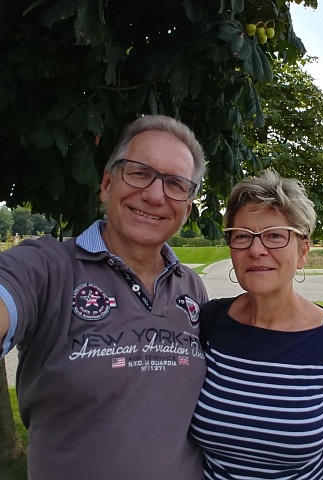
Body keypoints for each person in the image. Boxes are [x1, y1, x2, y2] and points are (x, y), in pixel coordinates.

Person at [0, 115, 209, 480]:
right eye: (140, 173)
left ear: (187, 208)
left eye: (175, 184)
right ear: (107, 183)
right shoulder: (47, 268)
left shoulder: (191, 288)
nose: (155, 195)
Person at [190, 169, 323, 479]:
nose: (256, 249)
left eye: (275, 235)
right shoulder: (208, 323)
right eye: (242, 236)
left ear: (303, 251)